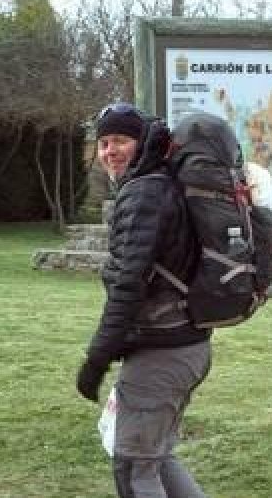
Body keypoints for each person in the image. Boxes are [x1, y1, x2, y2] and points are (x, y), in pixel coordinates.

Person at [75, 103, 212, 498]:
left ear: (141, 143)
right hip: (184, 345)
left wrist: (97, 359)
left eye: (119, 140)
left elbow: (127, 284)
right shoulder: (157, 184)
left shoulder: (144, 193)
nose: (109, 151)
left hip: (163, 353)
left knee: (134, 466)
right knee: (156, 458)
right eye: (103, 142)